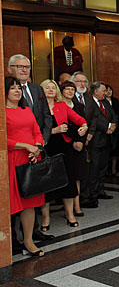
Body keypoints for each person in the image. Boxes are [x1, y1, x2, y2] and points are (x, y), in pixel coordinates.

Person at [7, 54, 55, 242]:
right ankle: (11, 239)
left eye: (27, 67)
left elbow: (45, 118)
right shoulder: (4, 92)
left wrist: (39, 144)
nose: (24, 70)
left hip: (35, 151)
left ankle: (33, 232)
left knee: (32, 194)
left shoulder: (37, 89)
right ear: (11, 68)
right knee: (14, 197)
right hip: (15, 154)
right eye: (19, 66)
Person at [38, 79, 87, 230]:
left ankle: (70, 214)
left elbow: (79, 120)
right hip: (46, 149)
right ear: (41, 90)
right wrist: (54, 131)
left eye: (53, 87)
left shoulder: (62, 106)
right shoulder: (37, 107)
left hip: (64, 149)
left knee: (69, 181)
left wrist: (84, 127)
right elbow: (34, 130)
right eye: (47, 87)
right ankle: (45, 219)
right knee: (46, 184)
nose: (51, 90)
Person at [5, 76, 46, 257]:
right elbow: (3, 139)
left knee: (30, 204)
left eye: (18, 88)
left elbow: (36, 131)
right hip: (12, 160)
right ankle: (9, 243)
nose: (17, 91)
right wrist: (25, 146)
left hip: (30, 160)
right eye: (12, 88)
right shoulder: (2, 112)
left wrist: (36, 147)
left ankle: (29, 242)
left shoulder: (26, 110)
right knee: (12, 204)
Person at [60, 81, 91, 217]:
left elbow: (84, 124)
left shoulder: (79, 106)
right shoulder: (58, 107)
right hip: (65, 145)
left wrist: (80, 142)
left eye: (72, 89)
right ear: (61, 91)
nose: (70, 92)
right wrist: (72, 141)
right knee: (67, 177)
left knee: (78, 176)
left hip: (79, 146)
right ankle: (67, 206)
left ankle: (77, 206)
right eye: (67, 89)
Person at [86, 81, 118, 208]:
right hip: (96, 141)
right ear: (95, 91)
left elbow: (114, 116)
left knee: (103, 168)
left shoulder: (105, 102)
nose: (105, 93)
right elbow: (93, 119)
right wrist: (107, 127)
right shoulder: (89, 102)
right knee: (94, 168)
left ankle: (100, 191)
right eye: (103, 91)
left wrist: (113, 126)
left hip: (107, 140)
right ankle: (92, 195)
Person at [71, 71, 98, 210]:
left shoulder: (89, 97)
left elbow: (94, 116)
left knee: (87, 169)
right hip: (75, 140)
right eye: (79, 82)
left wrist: (90, 133)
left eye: (84, 82)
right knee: (76, 171)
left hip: (89, 139)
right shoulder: (68, 98)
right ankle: (75, 200)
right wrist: (80, 137)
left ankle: (85, 197)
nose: (82, 84)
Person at [105, 84, 119, 176]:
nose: (109, 92)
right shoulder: (102, 102)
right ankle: (106, 169)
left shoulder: (115, 101)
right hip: (105, 128)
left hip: (115, 129)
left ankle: (114, 169)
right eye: (107, 90)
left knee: (115, 150)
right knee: (107, 150)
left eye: (110, 90)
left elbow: (118, 114)